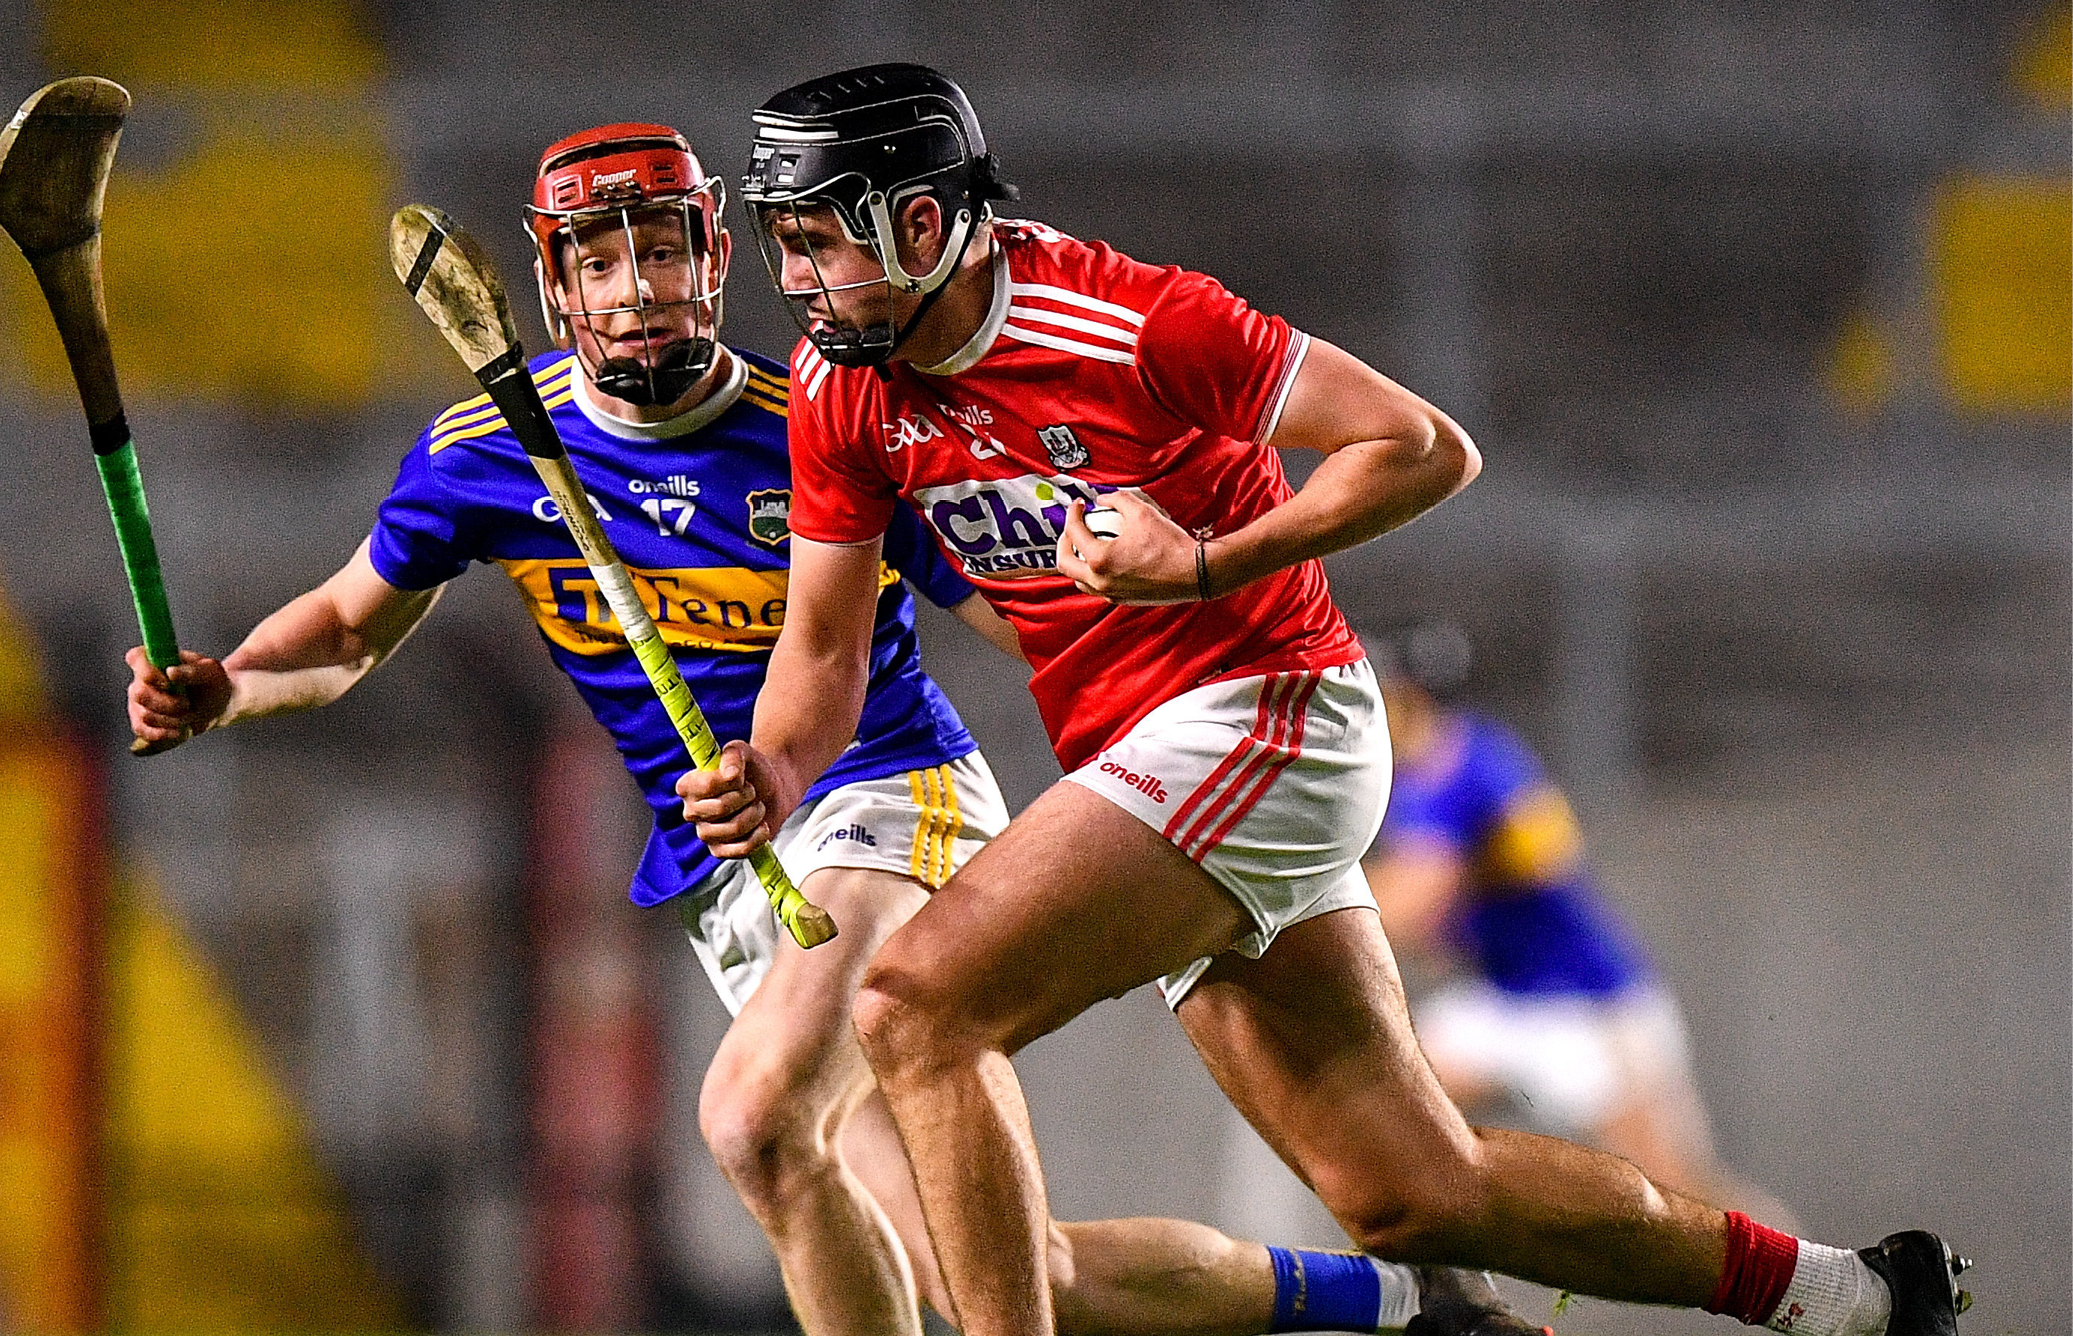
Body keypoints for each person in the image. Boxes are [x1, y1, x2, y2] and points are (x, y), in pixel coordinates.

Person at [124, 123, 1531, 1336]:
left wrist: (1183, 614)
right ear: (551, 281)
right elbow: (344, 628)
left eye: (663, 248)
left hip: (882, 803)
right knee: (993, 1267)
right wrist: (232, 682)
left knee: (749, 1121)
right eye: (601, 259)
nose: (638, 286)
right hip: (731, 866)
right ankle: (1398, 1307)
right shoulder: (482, 454)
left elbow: (1007, 607)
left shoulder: (817, 417)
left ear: (714, 258)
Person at [680, 63, 1971, 1336]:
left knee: (913, 1005)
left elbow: (1417, 445)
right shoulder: (842, 388)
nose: (793, 279)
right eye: (780, 245)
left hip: (1260, 708)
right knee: (1413, 1193)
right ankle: (1846, 1293)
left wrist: (1197, 562)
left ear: (918, 222)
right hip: (1145, 762)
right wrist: (778, 766)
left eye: (816, 242)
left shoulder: (1127, 320)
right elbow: (823, 647)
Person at [1362, 626, 1793, 1225]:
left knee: (1687, 1202)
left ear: (1409, 696)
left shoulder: (1457, 772)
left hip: (1591, 1011)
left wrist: (1289, 913)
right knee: (1389, 1095)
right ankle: (1443, 1271)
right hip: (1511, 1000)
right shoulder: (1447, 761)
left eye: (1373, 692)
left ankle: (1818, 1282)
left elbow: (1411, 900)